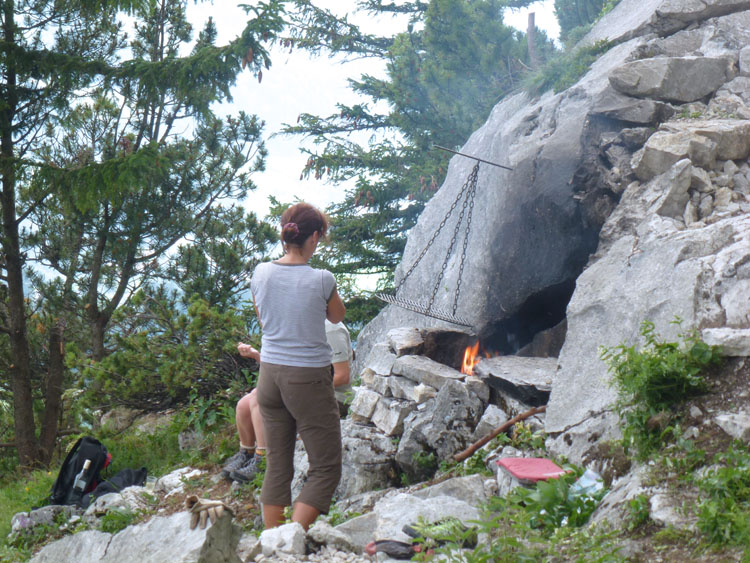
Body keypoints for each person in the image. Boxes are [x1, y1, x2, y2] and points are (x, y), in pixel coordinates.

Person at [244, 202, 346, 531]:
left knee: (277, 464)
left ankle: (272, 542)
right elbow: (337, 316)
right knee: (326, 466)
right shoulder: (321, 279)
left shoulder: (260, 272)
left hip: (269, 376)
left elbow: (264, 319)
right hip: (307, 379)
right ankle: (290, 540)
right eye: (320, 236)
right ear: (314, 237)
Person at [222, 319, 353, 483]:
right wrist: (257, 356)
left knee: (259, 398)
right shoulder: (303, 325)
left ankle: (263, 459)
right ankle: (246, 452)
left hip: (332, 398)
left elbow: (342, 376)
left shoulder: (331, 329)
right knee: (244, 403)